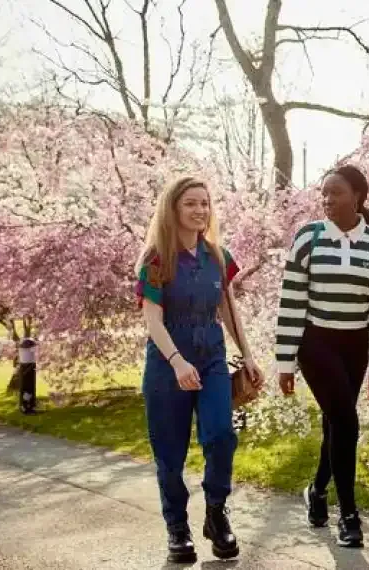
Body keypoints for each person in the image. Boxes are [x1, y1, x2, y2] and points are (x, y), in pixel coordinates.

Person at [135, 176, 264, 563]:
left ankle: (216, 512)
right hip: (167, 365)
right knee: (170, 456)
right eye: (191, 203)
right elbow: (152, 321)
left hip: (211, 360)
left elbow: (227, 308)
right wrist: (177, 362)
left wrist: (249, 354)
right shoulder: (156, 259)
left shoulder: (218, 256)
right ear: (173, 209)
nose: (199, 211)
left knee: (222, 434)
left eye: (205, 203)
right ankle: (177, 529)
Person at [274, 164, 369, 548]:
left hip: (355, 345)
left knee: (336, 424)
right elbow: (291, 301)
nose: (327, 199)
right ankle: (350, 515)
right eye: (323, 192)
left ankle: (317, 490)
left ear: (357, 196)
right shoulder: (308, 238)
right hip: (316, 342)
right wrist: (285, 360)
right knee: (346, 420)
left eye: (335, 192)